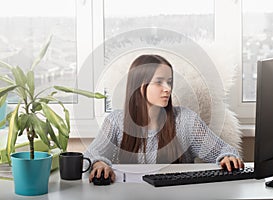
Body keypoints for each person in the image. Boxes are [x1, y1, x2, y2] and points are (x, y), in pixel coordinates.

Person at [84, 54, 244, 183]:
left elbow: (224, 151)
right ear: (140, 86)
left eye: (169, 82)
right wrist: (99, 163)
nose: (167, 89)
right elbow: (89, 157)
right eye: (159, 82)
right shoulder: (116, 122)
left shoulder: (186, 120)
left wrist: (227, 157)